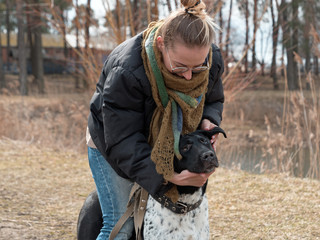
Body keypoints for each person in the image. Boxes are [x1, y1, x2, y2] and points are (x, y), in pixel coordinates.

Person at [86, 0, 224, 239]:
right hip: (113, 142)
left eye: (197, 68)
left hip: (171, 142)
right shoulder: (127, 70)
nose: (190, 76)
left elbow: (213, 98)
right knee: (120, 223)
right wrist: (166, 176)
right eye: (180, 68)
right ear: (161, 45)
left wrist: (208, 121)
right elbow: (122, 140)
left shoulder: (210, 59)